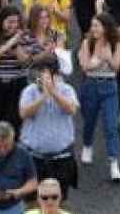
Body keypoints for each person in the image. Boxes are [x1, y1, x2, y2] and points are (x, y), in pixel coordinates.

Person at [17, 59, 80, 200]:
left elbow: (71, 109)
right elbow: (24, 113)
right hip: (34, 157)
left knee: (59, 200)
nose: (40, 79)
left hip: (61, 158)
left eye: (44, 75)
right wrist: (43, 98)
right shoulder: (30, 91)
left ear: (56, 75)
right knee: (31, 201)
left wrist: (54, 93)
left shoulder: (67, 90)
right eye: (38, 76)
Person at [75, 11, 120, 183]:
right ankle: (87, 145)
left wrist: (108, 59)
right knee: (89, 121)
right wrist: (94, 62)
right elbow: (84, 67)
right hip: (90, 86)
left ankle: (114, 163)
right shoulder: (86, 43)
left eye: (97, 25)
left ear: (106, 27)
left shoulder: (116, 43)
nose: (93, 29)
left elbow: (116, 67)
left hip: (109, 86)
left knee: (111, 125)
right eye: (92, 25)